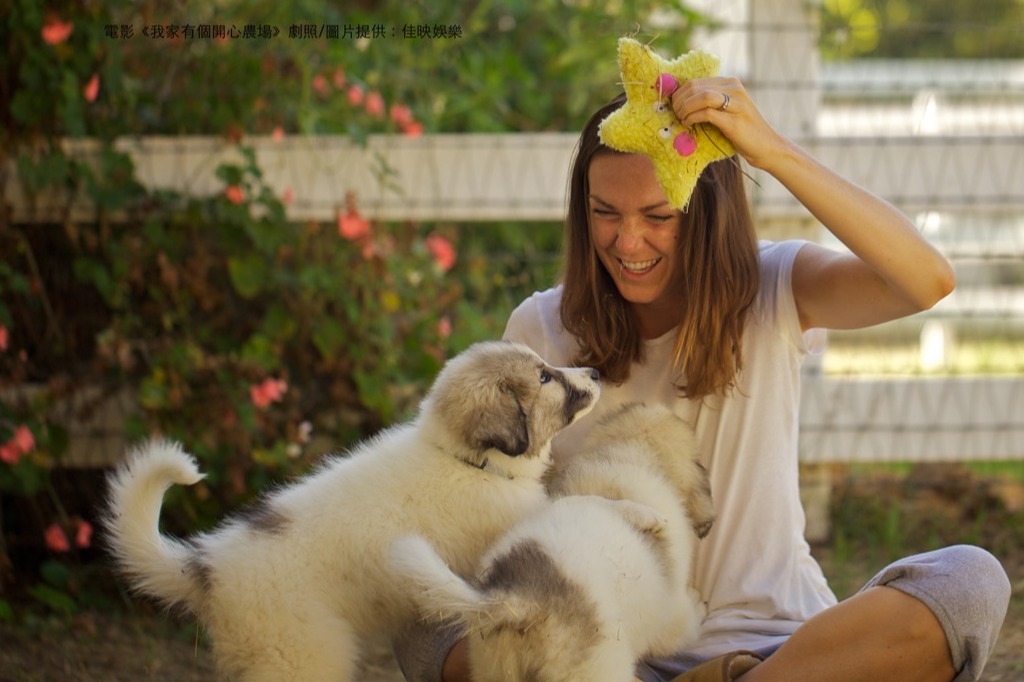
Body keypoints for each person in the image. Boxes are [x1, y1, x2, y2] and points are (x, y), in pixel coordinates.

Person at [394, 76, 1011, 682]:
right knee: (415, 610)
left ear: (707, 213)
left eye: (658, 216)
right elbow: (499, 515)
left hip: (785, 651)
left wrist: (770, 150)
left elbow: (926, 280)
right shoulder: (541, 329)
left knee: (970, 581)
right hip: (608, 654)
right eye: (604, 213)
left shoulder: (777, 286)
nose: (627, 241)